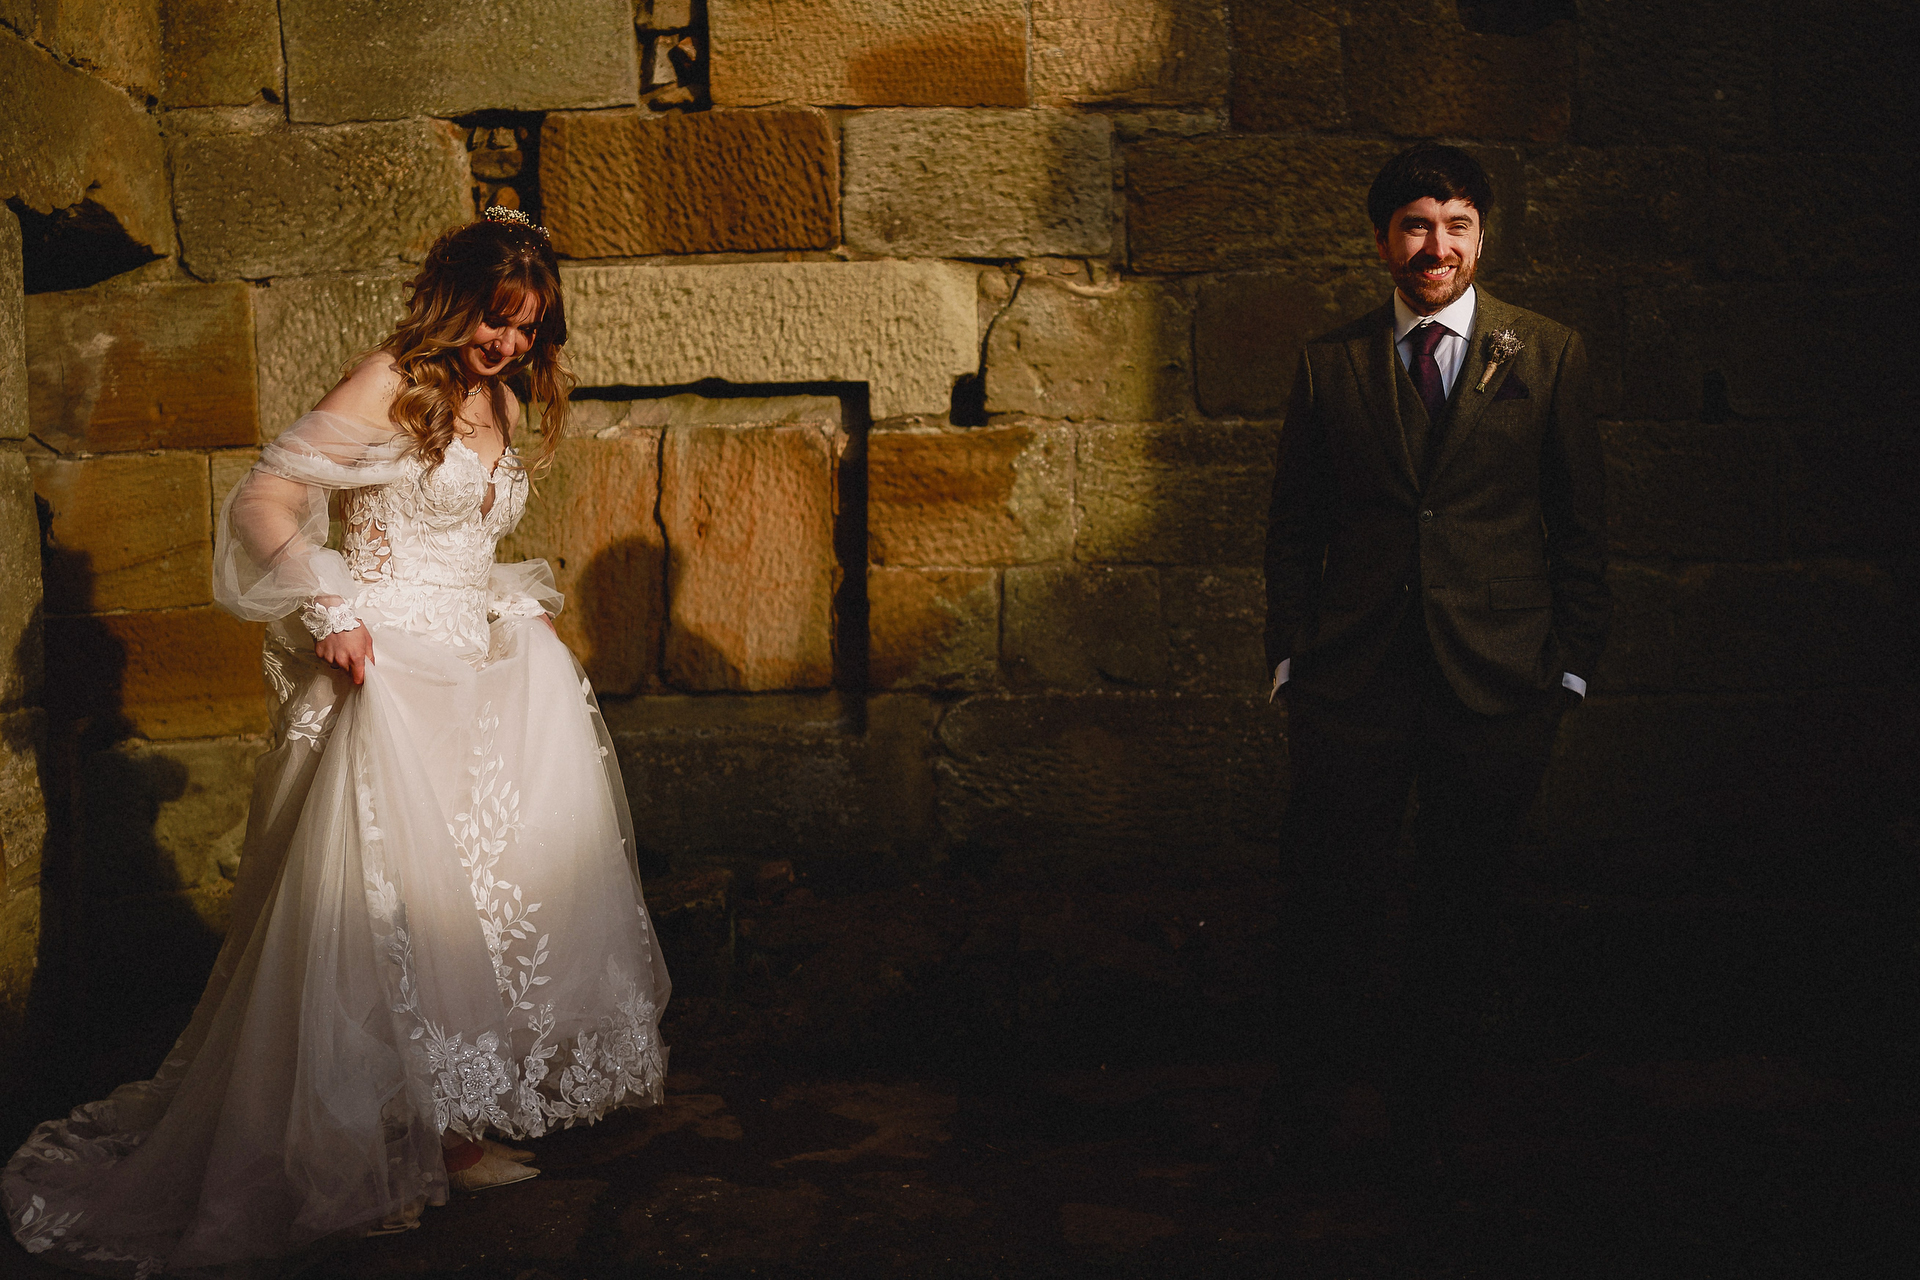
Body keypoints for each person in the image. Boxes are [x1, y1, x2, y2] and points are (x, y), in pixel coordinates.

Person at [4, 208, 670, 1273]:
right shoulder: (391, 382)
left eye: (528, 327)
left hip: (476, 669)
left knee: (471, 902)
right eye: (496, 319)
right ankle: (374, 1146)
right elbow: (266, 501)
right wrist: (332, 607)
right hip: (390, 672)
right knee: (383, 910)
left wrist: (510, 601)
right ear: (457, 299)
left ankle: (446, 1123)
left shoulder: (501, 398)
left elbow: (461, 543)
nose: (508, 344)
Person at [1262, 144, 1609, 1159]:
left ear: (1481, 239)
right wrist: (1291, 659)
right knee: (1332, 898)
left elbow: (1580, 524)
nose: (1437, 245)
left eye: (1457, 225)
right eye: (1416, 224)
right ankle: (1312, 1109)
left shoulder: (1547, 353)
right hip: (1355, 678)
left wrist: (1569, 668)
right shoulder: (1330, 362)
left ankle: (1435, 1111)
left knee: (1464, 902)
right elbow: (1294, 525)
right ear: (1383, 241)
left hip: (1496, 679)